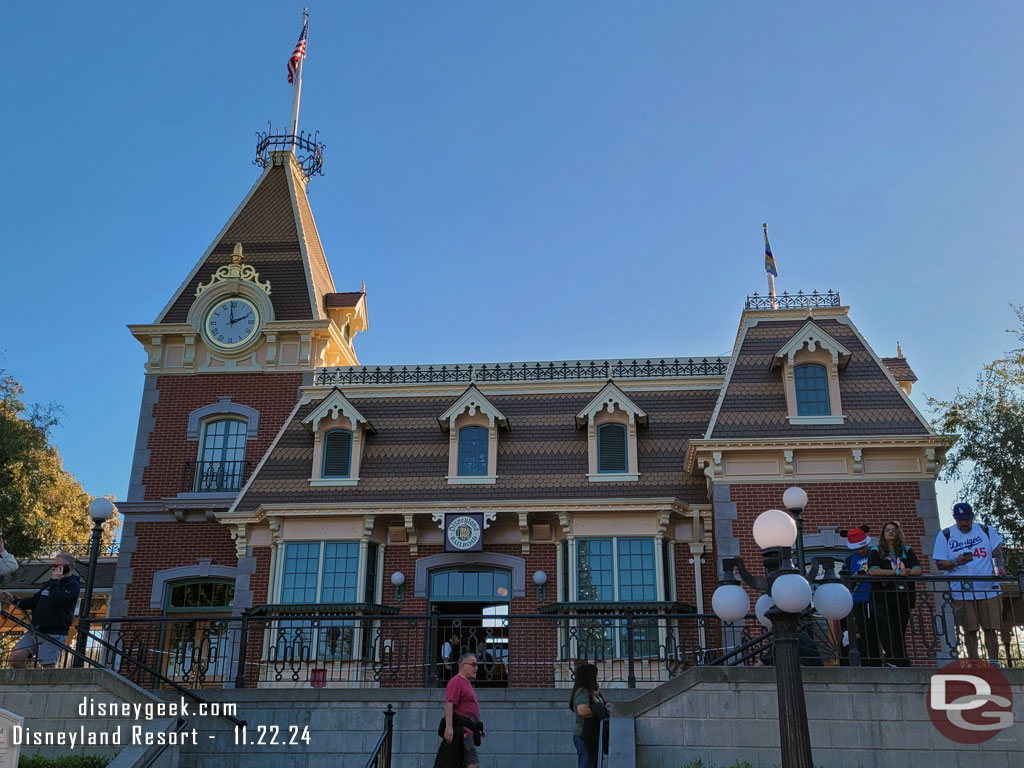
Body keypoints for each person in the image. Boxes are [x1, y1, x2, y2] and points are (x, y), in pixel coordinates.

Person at [932, 502, 1007, 664]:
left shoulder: (986, 531)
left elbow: (998, 555)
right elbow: (939, 564)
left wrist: (1000, 568)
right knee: (969, 630)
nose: (964, 524)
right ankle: (974, 664)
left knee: (991, 628)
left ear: (972, 517)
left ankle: (994, 662)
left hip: (988, 588)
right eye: (960, 520)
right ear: (955, 519)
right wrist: (956, 562)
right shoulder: (945, 535)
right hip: (961, 591)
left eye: (967, 519)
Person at [0, 552, 80, 669]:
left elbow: (56, 599)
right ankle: (29, 684)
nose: (54, 568)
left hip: (53, 633)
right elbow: (34, 601)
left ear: (67, 567)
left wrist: (56, 581)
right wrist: (13, 600)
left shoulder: (73, 585)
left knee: (47, 666)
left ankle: (49, 686)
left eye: (57, 566)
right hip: (35, 629)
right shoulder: (50, 583)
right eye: (53, 565)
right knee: (16, 657)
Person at [868, 520, 922, 667]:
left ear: (899, 533)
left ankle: (901, 660)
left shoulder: (906, 550)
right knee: (886, 627)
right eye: (887, 530)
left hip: (903, 596)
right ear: (883, 534)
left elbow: (918, 570)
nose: (891, 532)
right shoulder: (876, 550)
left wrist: (907, 572)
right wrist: (897, 572)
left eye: (894, 529)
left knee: (899, 628)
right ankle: (891, 658)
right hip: (882, 596)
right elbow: (873, 570)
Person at [842, 525, 880, 666]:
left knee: (880, 630)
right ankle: (870, 661)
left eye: (863, 547)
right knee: (865, 632)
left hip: (876, 597)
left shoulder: (875, 554)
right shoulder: (848, 560)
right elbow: (845, 580)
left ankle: (881, 659)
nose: (861, 550)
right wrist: (854, 577)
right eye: (858, 548)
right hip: (859, 601)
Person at [442, 653, 483, 768]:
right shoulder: (456, 681)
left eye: (477, 665)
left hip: (468, 731)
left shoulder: (467, 684)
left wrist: (475, 727)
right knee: (472, 764)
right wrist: (449, 727)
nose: (476, 668)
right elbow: (449, 704)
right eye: (473, 665)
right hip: (462, 732)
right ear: (463, 665)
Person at [570, 662, 608, 768]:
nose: (597, 678)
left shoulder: (594, 692)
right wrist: (599, 711)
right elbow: (582, 711)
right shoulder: (582, 692)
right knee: (587, 763)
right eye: (595, 676)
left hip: (594, 735)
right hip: (584, 735)